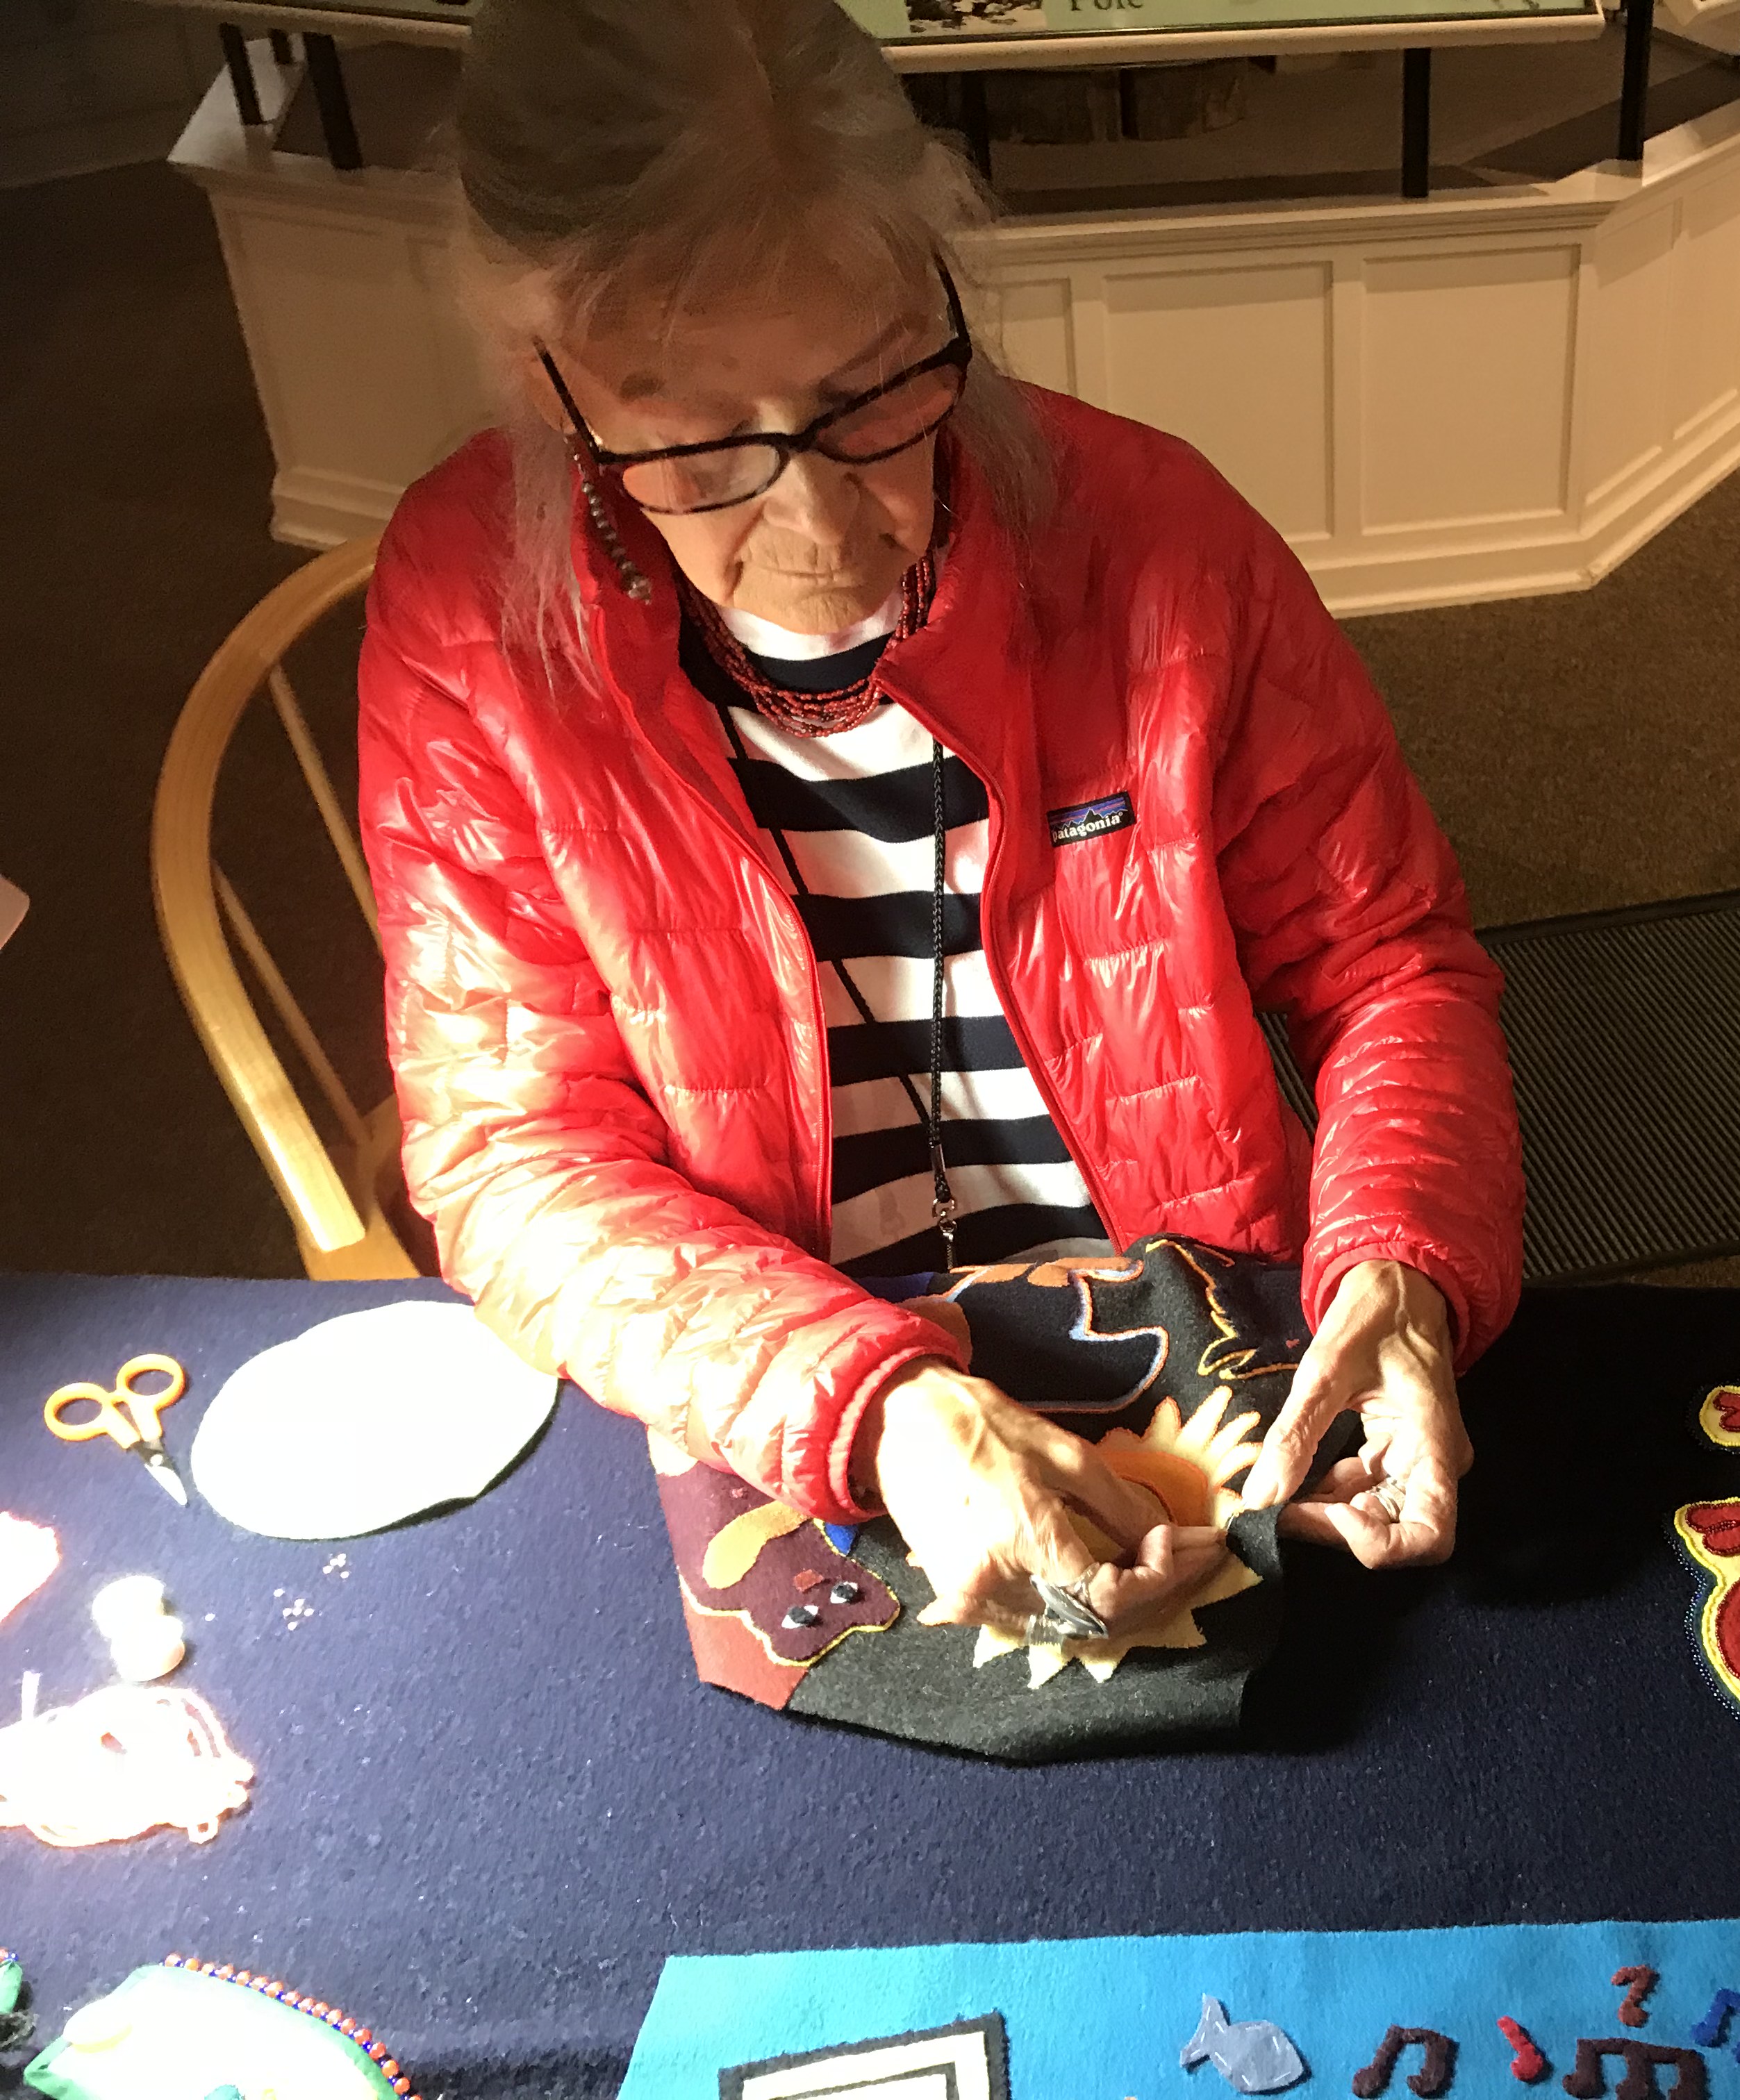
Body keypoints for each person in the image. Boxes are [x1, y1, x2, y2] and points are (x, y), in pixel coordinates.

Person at [356, 0, 1522, 1655]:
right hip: (777, 1377)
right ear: (546, 387)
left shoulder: (1161, 537)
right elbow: (508, 1147)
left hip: (1200, 1358)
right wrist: (878, 1405)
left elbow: (1387, 958)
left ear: (939, 279)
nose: (823, 517)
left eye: (873, 390)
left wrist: (1401, 1260)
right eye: (693, 436)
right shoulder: (471, 604)